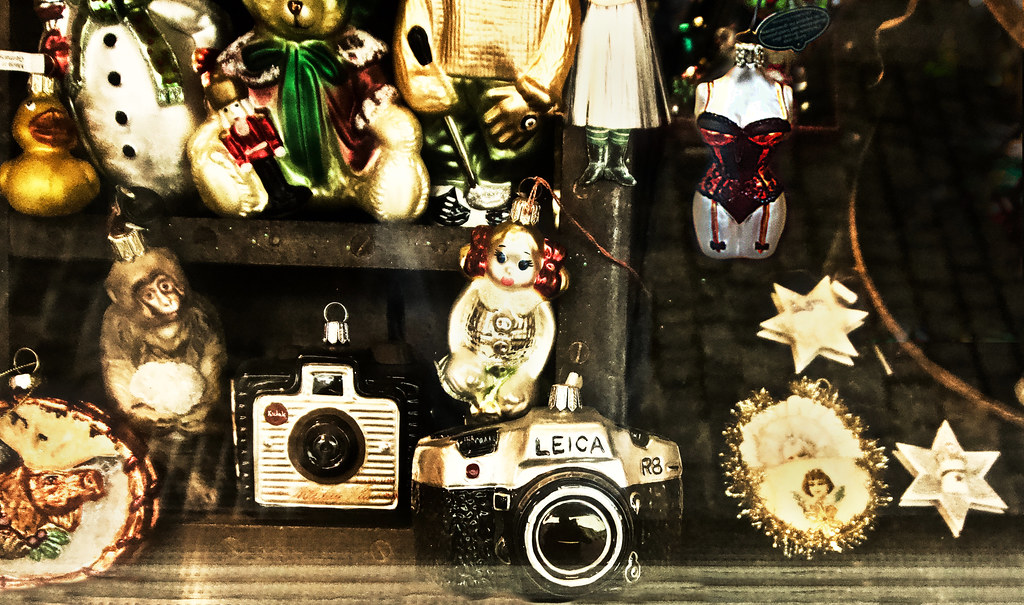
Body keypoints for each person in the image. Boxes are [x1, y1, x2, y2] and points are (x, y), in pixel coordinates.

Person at [692, 40, 792, 258]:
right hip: (713, 200)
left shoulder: (784, 95)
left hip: (767, 202)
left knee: (762, 259)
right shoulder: (705, 92)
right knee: (714, 259)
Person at [569, 0, 668, 187]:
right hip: (597, 17)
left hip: (626, 18)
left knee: (624, 88)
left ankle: (616, 162)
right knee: (595, 86)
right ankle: (596, 162)